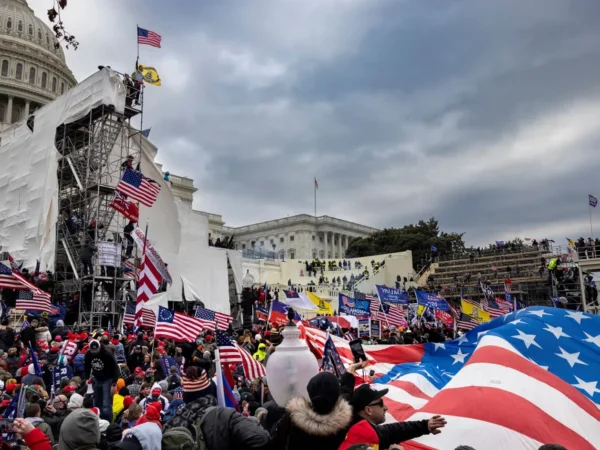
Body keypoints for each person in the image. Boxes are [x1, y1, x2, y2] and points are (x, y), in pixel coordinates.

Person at [270, 372, 353, 449]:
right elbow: (346, 394)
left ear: (310, 391)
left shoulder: (292, 418)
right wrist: (349, 374)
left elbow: (276, 443)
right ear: (336, 395)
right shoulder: (344, 422)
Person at [349, 384, 446, 449]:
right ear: (368, 410)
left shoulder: (355, 426)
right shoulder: (363, 434)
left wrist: (425, 425)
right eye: (381, 403)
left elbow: (391, 431)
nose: (386, 408)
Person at [84, 339, 120, 422]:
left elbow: (115, 368)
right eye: (93, 351)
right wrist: (86, 378)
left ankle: (108, 422)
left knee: (106, 404)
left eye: (96, 350)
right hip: (96, 378)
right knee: (96, 402)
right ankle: (98, 421)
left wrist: (114, 384)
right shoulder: (88, 354)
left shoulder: (107, 354)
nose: (95, 352)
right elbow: (87, 367)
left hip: (108, 379)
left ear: (100, 347)